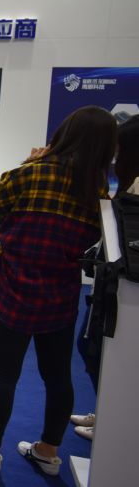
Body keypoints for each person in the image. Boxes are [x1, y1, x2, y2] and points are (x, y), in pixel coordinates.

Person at [0, 106, 117, 476]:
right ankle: (47, 451)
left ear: (66, 134)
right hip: (61, 294)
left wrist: (34, 162)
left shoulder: (32, 172)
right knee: (58, 376)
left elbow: (1, 201)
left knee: (4, 373)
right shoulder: (97, 191)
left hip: (15, 287)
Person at [71, 113, 139, 440]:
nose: (115, 159)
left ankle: (114, 422)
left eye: (120, 151)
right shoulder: (126, 185)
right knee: (92, 349)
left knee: (99, 351)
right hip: (111, 287)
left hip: (122, 291)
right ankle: (108, 413)